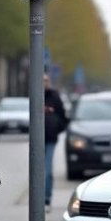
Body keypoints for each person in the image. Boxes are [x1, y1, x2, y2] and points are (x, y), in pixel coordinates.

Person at [44, 74, 68, 209]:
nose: (44, 83)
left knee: (47, 170)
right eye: (41, 80)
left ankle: (47, 199)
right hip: (37, 140)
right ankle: (38, 198)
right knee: (37, 171)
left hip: (51, 139)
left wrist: (56, 128)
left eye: (46, 80)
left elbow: (63, 117)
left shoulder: (54, 96)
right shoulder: (34, 96)